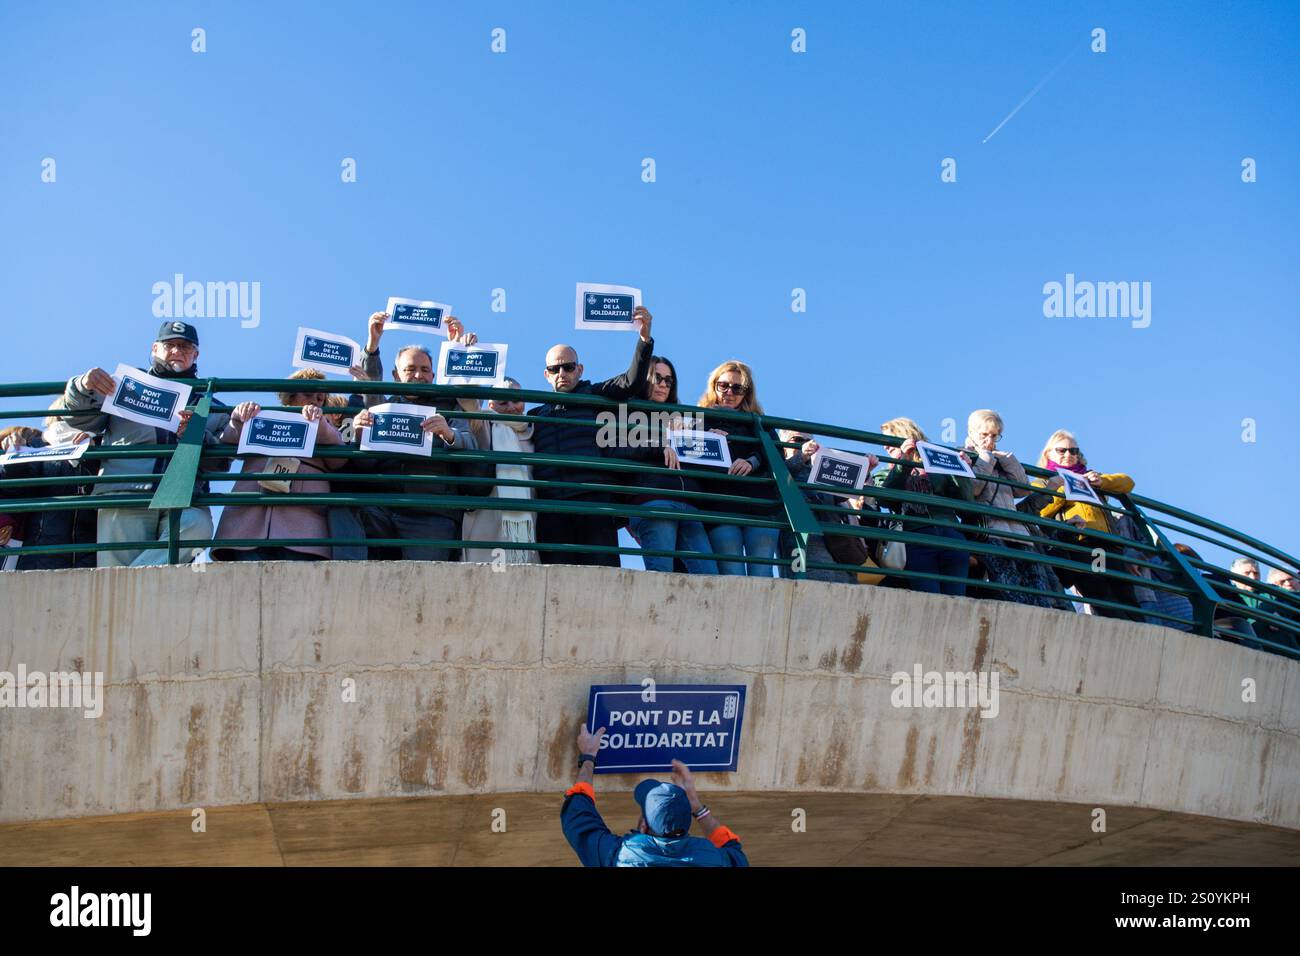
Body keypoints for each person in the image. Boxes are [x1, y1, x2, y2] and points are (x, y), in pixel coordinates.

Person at [62, 321, 231, 567]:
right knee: (115, 565)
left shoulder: (211, 403)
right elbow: (83, 420)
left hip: (186, 496)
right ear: (154, 348)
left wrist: (195, 436)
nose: (177, 351)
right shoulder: (126, 385)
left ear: (196, 354)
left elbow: (220, 462)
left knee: (198, 528)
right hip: (124, 490)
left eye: (185, 346)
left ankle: (128, 584)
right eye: (169, 345)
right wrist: (82, 386)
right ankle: (127, 590)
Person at [528, 306, 656, 567]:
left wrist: (644, 340)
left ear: (580, 370)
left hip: (593, 501)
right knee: (556, 579)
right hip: (552, 507)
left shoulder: (596, 395)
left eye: (568, 366)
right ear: (546, 374)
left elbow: (630, 382)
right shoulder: (535, 412)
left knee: (602, 575)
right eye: (554, 369)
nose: (561, 373)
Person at [349, 317, 477, 562]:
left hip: (432, 513)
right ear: (397, 375)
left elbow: (470, 440)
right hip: (383, 508)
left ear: (433, 376)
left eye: (425, 370)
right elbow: (371, 386)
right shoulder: (385, 407)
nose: (418, 375)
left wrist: (448, 435)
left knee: (427, 587)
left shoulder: (450, 406)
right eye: (410, 369)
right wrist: (358, 434)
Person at [561, 723, 748, 867]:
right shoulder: (715, 859)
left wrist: (588, 757)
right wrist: (697, 807)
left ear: (644, 825)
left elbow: (578, 817)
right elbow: (735, 852)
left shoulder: (620, 856)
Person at [210, 370, 345, 562]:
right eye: (308, 395)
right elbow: (227, 447)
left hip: (303, 531)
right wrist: (240, 419)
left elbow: (339, 460)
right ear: (291, 396)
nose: (315, 401)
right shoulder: (261, 417)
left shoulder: (325, 428)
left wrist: (320, 425)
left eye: (320, 398)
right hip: (247, 527)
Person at [614, 356, 718, 574]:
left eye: (668, 381)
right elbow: (617, 450)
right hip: (654, 500)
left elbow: (697, 460)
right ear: (644, 379)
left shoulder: (683, 418)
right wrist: (659, 446)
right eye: (657, 378)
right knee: (662, 576)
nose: (663, 385)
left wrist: (709, 440)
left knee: (710, 577)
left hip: (688, 505)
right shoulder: (628, 412)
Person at [962, 410, 1067, 609]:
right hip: (990, 531)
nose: (989, 439)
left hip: (1018, 533)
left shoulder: (1001, 459)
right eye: (984, 434)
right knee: (1008, 584)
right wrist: (985, 458)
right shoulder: (964, 455)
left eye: (994, 435)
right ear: (971, 432)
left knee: (1038, 586)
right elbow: (972, 489)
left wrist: (1009, 460)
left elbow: (1021, 489)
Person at [1031, 430, 1140, 620]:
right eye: (1062, 450)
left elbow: (1127, 482)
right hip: (1082, 544)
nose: (1068, 455)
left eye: (1073, 451)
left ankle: (1139, 634)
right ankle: (1120, 631)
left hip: (1109, 544)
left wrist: (1101, 481)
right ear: (1048, 453)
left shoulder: (1088, 476)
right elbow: (1037, 510)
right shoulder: (1044, 480)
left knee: (1126, 593)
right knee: (1100, 592)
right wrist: (1063, 488)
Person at [695, 361, 782, 577]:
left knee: (762, 577)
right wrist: (707, 440)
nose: (729, 392)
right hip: (720, 508)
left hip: (760, 509)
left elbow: (777, 455)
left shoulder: (759, 423)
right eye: (723, 385)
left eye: (737, 388)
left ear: (747, 393)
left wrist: (752, 460)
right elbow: (687, 456)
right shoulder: (698, 420)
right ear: (713, 386)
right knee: (731, 574)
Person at [872, 417, 972, 596]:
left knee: (958, 601)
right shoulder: (885, 473)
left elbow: (965, 502)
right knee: (928, 598)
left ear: (906, 435)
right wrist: (904, 463)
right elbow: (885, 500)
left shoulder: (937, 461)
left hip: (951, 535)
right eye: (884, 443)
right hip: (917, 536)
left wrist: (962, 471)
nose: (885, 446)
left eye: (890, 439)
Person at [0, 410, 98, 570]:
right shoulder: (38, 446)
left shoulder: (97, 443)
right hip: (43, 548)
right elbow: (18, 491)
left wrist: (92, 455)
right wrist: (16, 458)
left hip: (78, 547)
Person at [776, 428, 875, 584]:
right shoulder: (779, 466)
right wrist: (801, 456)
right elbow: (778, 477)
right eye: (797, 440)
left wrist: (865, 472)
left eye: (809, 441)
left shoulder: (821, 468)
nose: (805, 444)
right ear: (783, 446)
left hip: (839, 551)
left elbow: (844, 493)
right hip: (804, 552)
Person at [460, 376, 540, 565]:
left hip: (528, 520)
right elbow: (467, 400)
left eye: (516, 401)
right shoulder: (483, 424)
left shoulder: (535, 429)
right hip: (487, 519)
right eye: (502, 402)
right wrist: (467, 355)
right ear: (491, 405)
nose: (511, 407)